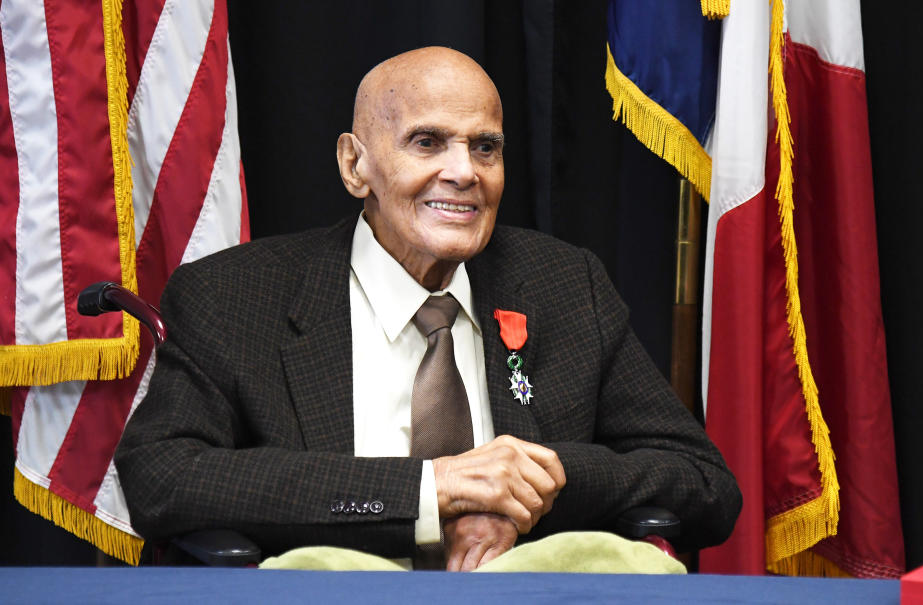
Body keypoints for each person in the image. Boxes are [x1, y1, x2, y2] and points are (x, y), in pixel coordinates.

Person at [115, 47, 740, 571]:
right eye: (427, 142)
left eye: (486, 148)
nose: (463, 171)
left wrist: (528, 489)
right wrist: (429, 490)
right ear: (355, 165)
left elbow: (703, 481)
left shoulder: (565, 285)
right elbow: (162, 477)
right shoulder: (235, 296)